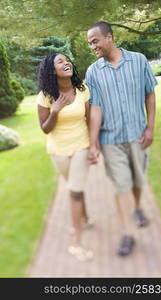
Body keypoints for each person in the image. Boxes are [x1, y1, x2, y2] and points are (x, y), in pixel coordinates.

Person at [85, 21, 157, 256]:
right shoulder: (93, 71)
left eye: (95, 41)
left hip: (138, 135)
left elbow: (150, 94)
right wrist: (94, 142)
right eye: (90, 43)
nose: (92, 46)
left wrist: (150, 128)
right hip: (110, 140)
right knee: (121, 185)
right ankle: (128, 233)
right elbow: (95, 108)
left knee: (137, 181)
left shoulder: (139, 60)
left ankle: (136, 208)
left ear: (109, 37)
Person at [37, 53, 93, 261]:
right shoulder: (46, 96)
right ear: (52, 70)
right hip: (58, 151)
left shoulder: (82, 90)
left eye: (67, 60)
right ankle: (85, 217)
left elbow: (89, 118)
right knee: (74, 186)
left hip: (81, 145)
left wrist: (95, 146)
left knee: (74, 191)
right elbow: (45, 129)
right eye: (60, 61)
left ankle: (76, 242)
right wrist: (55, 111)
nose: (66, 62)